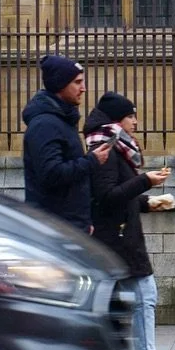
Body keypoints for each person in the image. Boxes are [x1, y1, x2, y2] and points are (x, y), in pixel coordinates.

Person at [84, 91, 175, 350]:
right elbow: (105, 197)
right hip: (118, 238)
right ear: (117, 120)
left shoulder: (115, 147)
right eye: (131, 116)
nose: (136, 122)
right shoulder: (108, 149)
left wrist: (147, 202)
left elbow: (117, 196)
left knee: (113, 302)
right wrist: (145, 181)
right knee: (143, 296)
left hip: (120, 235)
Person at [21, 54, 109, 231]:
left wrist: (84, 221)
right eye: (77, 82)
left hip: (69, 226)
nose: (83, 88)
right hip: (54, 230)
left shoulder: (62, 120)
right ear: (60, 84)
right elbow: (52, 174)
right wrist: (92, 160)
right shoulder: (45, 125)